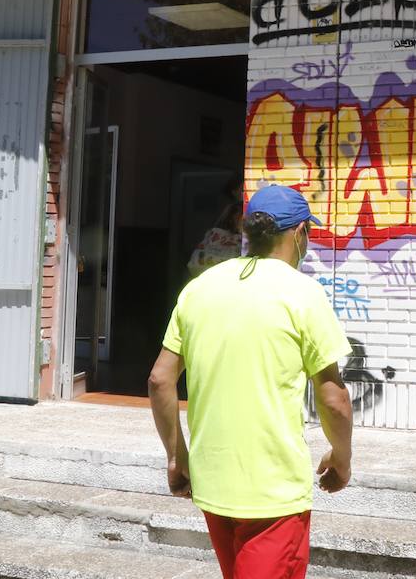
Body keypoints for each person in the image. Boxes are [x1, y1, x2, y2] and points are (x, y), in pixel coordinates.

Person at [149, 184, 354, 579]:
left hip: (212, 486)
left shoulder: (200, 288)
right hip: (273, 495)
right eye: (307, 233)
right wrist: (341, 457)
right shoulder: (304, 294)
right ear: (298, 234)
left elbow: (160, 379)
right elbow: (334, 400)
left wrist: (177, 456)